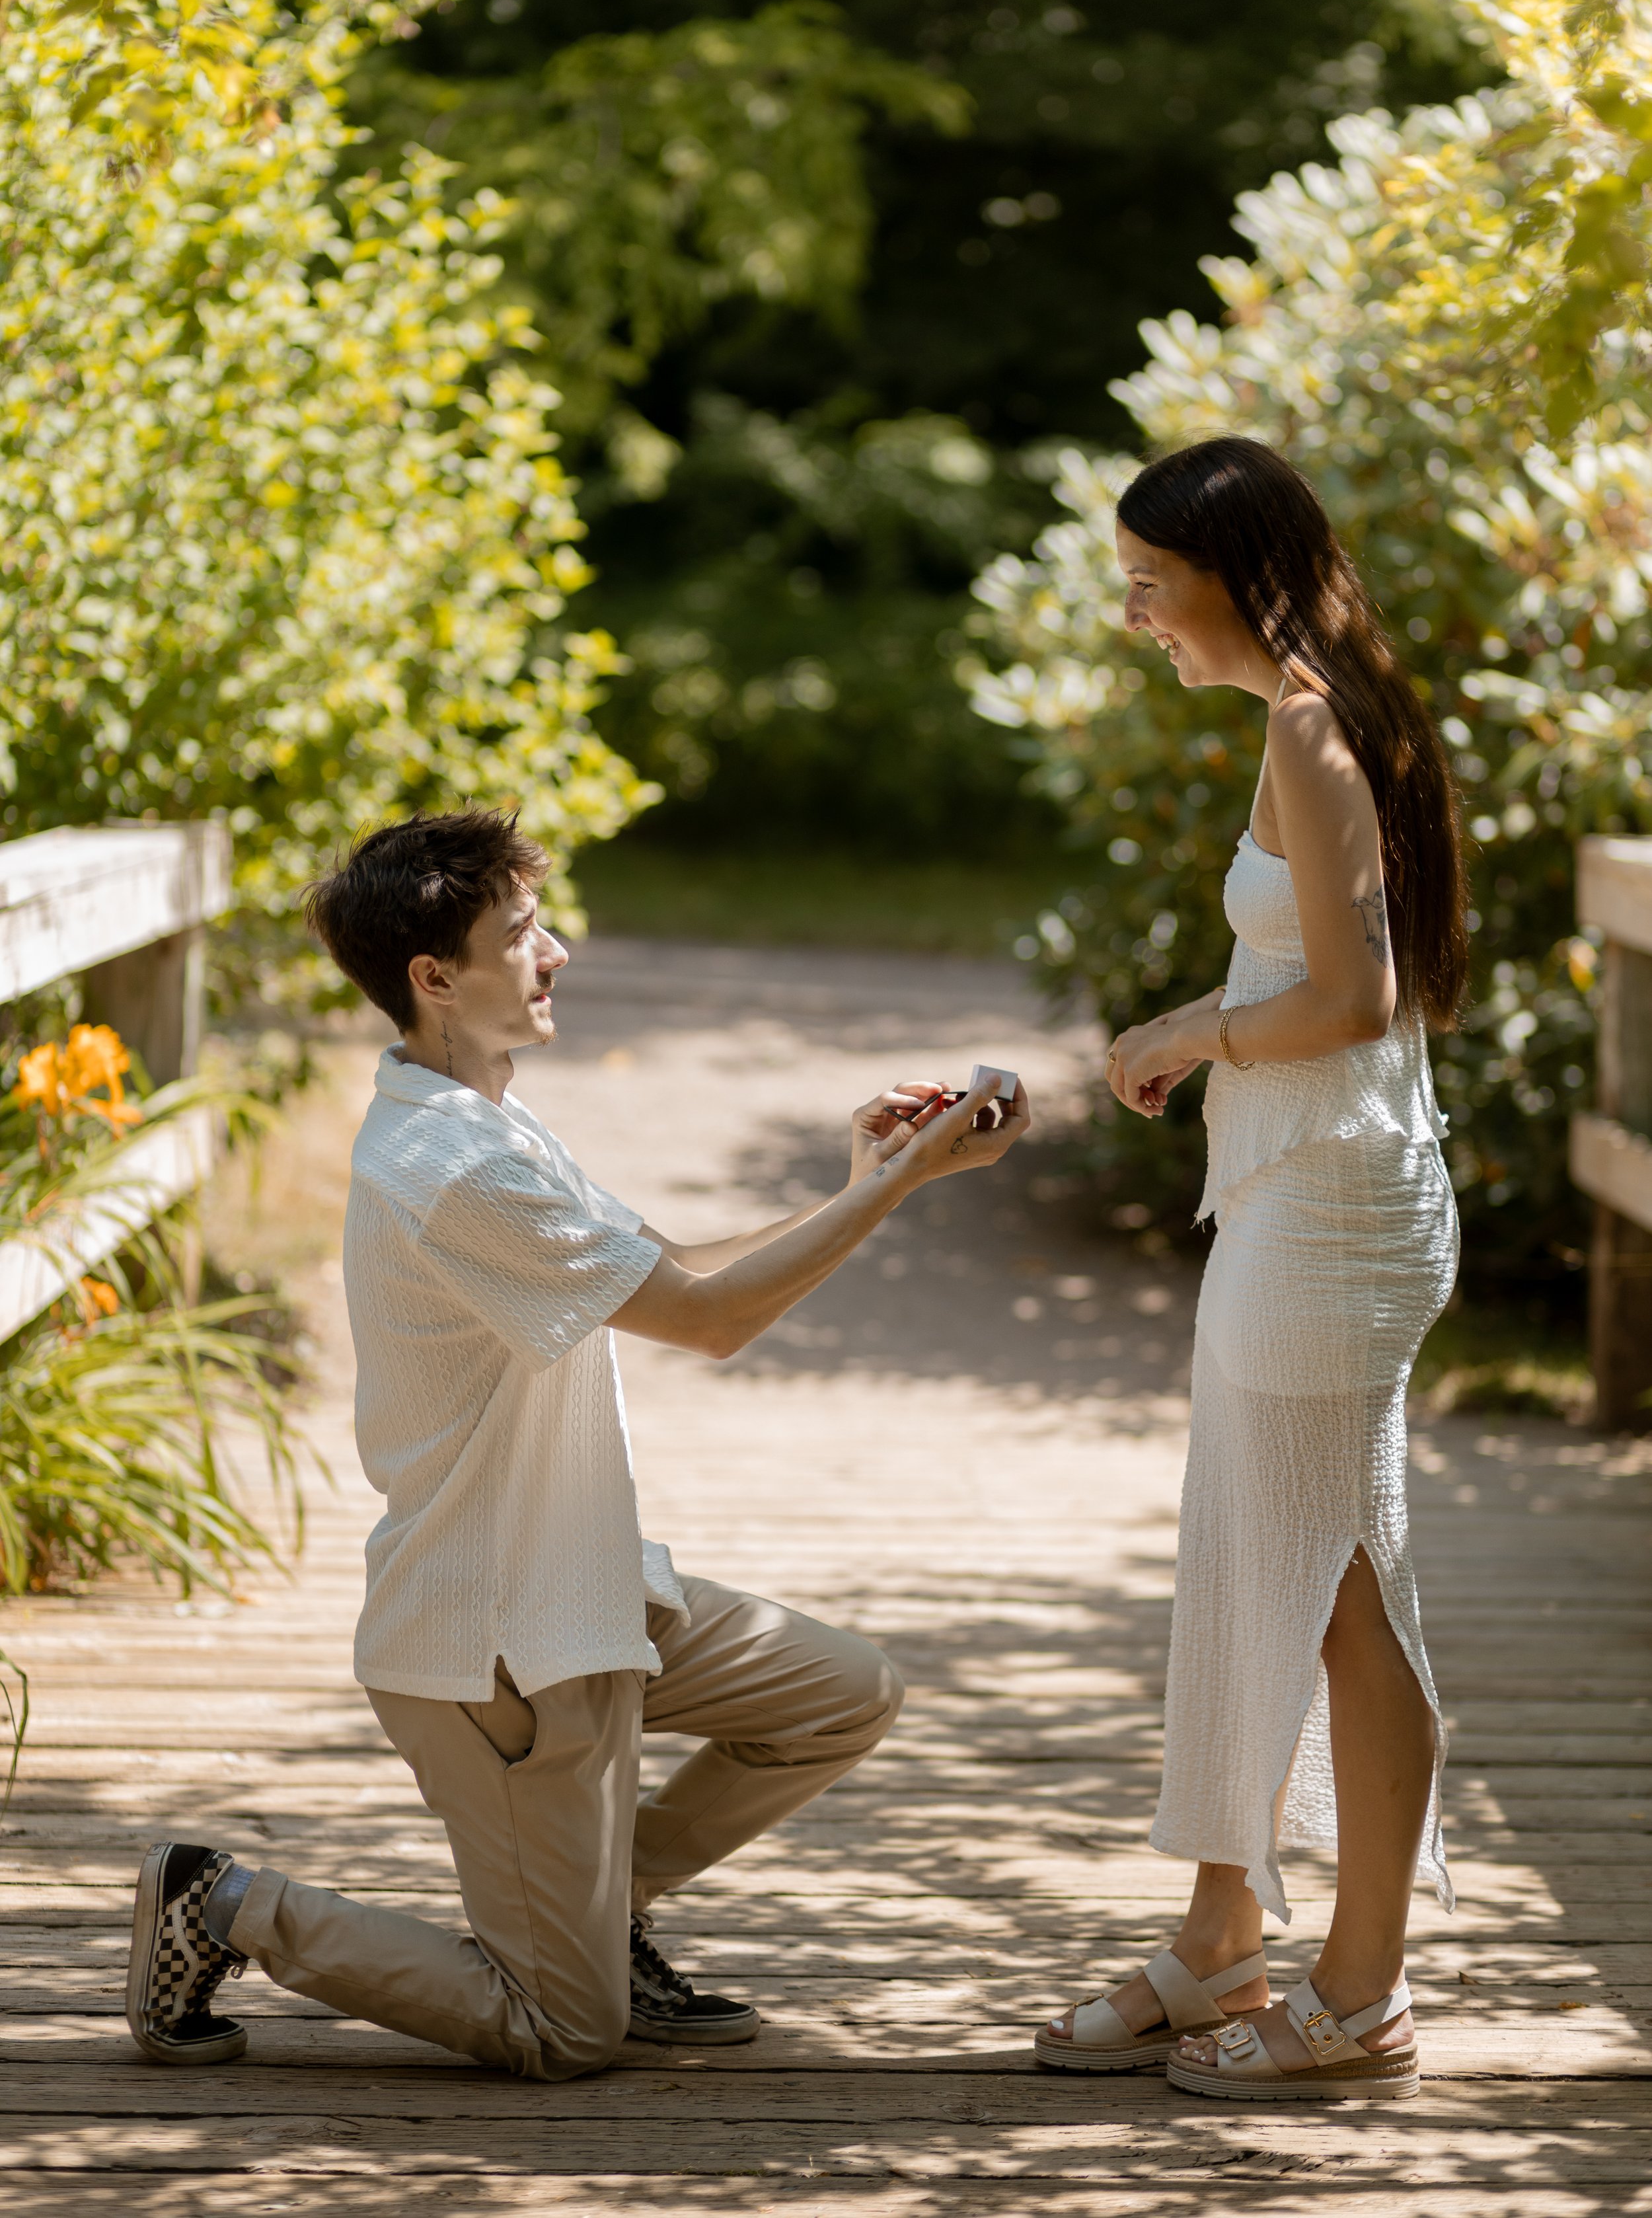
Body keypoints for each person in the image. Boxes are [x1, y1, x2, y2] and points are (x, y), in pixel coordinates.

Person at [126, 808, 1030, 2080]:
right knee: (561, 2031)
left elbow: (666, 1268)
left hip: (588, 1590)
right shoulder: (451, 1167)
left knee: (842, 1693)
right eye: (522, 934)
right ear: (433, 978)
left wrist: (871, 1177)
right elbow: (710, 1322)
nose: (555, 956)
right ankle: (223, 1902)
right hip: (499, 1643)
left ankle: (598, 1916)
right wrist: (894, 1188)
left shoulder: (488, 1120)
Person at [1033, 438, 1467, 2103]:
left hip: (1333, 1210)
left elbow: (1352, 1000)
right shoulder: (1313, 706)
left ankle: (1357, 1997)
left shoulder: (1307, 723)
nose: (1134, 612)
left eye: (1152, 581)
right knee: (1248, 1564)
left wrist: (1182, 1029)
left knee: (1343, 1591)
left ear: (1239, 575)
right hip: (1300, 1196)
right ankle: (1222, 1938)